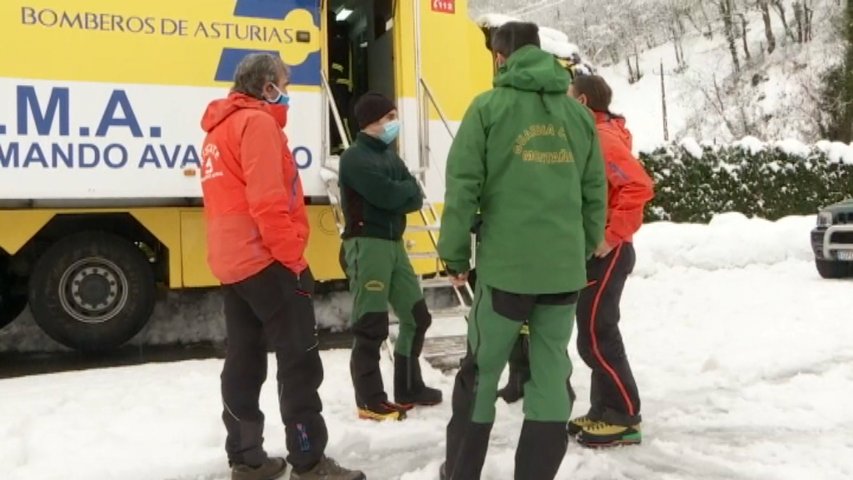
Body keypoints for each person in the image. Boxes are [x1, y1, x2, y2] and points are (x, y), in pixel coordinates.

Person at [437, 22, 607, 480]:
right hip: (562, 273)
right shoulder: (578, 117)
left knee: (482, 372)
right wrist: (586, 245)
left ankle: (459, 473)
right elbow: (595, 190)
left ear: (500, 56)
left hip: (505, 272)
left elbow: (463, 187)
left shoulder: (488, 108)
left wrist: (453, 255)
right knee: (551, 376)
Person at [199, 52, 365, 480]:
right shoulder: (257, 124)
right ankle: (309, 460)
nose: (287, 94)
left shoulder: (218, 128)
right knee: (299, 362)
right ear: (266, 86)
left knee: (244, 359)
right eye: (284, 84)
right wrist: (292, 258)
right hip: (267, 260)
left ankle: (246, 457)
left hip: (232, 263)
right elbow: (269, 201)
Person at [338, 92, 443, 422]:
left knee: (417, 316)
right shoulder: (355, 158)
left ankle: (408, 386)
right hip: (367, 244)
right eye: (390, 116)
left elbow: (414, 194)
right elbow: (387, 194)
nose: (394, 122)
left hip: (393, 243)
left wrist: (400, 194)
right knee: (371, 325)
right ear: (373, 121)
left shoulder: (389, 157)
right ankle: (370, 401)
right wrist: (400, 193)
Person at [566, 74, 655, 448]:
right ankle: (603, 408)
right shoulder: (597, 134)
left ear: (583, 102)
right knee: (594, 332)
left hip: (609, 252)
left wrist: (610, 234)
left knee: (596, 335)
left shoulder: (601, 138)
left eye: (569, 97)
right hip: (601, 251)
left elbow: (639, 186)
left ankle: (624, 416)